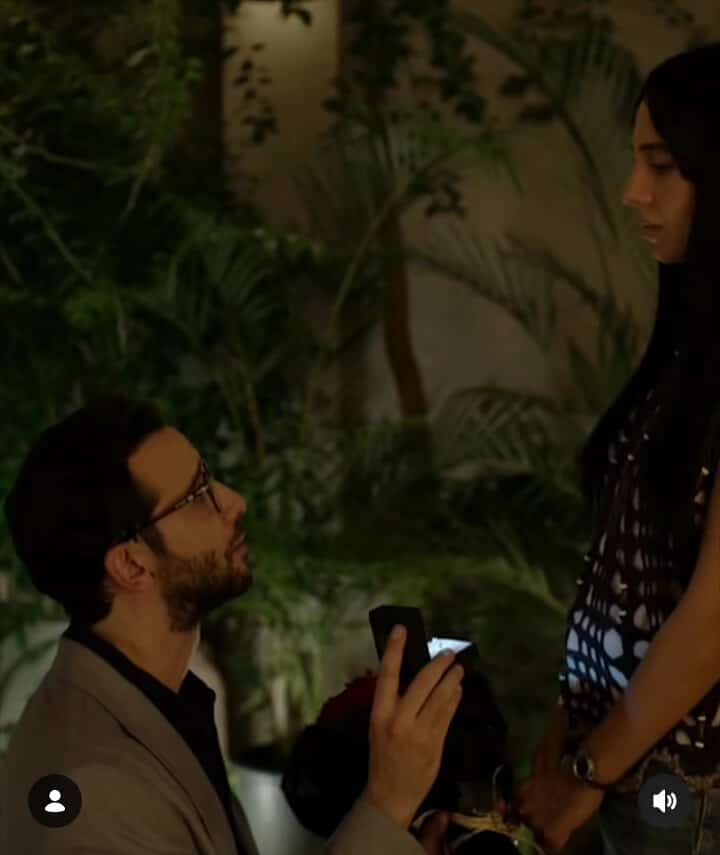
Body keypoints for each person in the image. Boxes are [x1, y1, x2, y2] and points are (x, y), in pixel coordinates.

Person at [0, 395, 464, 854]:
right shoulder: (95, 791)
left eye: (209, 479)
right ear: (131, 565)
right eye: (197, 496)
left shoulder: (156, 699)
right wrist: (387, 800)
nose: (234, 502)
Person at [511, 42, 720, 854]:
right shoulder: (687, 353)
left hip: (684, 792)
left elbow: (711, 617)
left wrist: (587, 772)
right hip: (635, 775)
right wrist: (574, 729)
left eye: (661, 165)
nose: (634, 191)